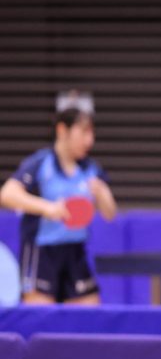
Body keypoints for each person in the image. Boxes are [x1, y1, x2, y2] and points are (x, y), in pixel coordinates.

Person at [0, 108, 118, 305]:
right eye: (83, 132)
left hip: (75, 252)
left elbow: (110, 214)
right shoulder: (39, 163)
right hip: (42, 253)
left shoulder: (91, 168)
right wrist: (47, 208)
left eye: (92, 133)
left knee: (88, 317)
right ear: (62, 130)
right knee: (41, 320)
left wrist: (104, 195)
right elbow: (7, 195)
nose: (89, 141)